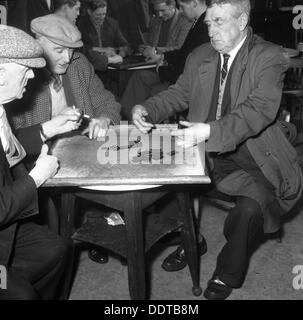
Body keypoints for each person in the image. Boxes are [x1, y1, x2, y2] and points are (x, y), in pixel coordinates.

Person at [132, 0, 303, 300]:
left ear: (241, 21)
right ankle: (192, 240)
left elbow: (257, 111)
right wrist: (147, 108)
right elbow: (178, 93)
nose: (211, 31)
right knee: (161, 177)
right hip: (205, 149)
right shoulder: (200, 56)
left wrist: (210, 130)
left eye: (219, 22)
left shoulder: (269, 56)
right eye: (209, 23)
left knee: (250, 210)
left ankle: (227, 272)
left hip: (253, 154)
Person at [9, 14, 122, 265]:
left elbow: (106, 101)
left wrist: (103, 118)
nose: (67, 58)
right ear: (37, 43)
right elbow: (13, 141)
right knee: (54, 226)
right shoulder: (22, 74)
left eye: (71, 51)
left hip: (80, 147)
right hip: (36, 156)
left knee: (116, 177)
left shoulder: (78, 64)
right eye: (59, 50)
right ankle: (67, 240)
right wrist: (49, 130)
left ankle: (96, 233)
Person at [0, 24, 82, 300]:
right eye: (25, 69)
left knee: (56, 249)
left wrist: (51, 127)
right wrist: (37, 176)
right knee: (21, 295)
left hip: (6, 231)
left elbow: (8, 150)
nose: (33, 74)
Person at [121, 0, 209, 120]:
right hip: (174, 69)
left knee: (153, 91)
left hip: (183, 77)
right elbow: (184, 53)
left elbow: (188, 60)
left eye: (182, 7)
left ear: (194, 3)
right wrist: (163, 56)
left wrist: (163, 67)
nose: (181, 11)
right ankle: (126, 116)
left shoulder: (201, 24)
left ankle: (137, 118)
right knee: (139, 77)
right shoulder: (197, 21)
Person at [77, 0, 132, 72]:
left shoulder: (112, 23)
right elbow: (78, 48)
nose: (102, 17)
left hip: (111, 69)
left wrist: (118, 52)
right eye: (98, 14)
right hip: (90, 68)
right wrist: (101, 49)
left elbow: (126, 46)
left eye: (104, 14)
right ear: (89, 12)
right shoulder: (80, 24)